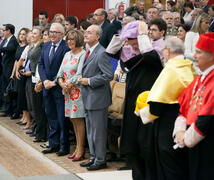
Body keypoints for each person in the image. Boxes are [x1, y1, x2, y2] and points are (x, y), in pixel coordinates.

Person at [136, 36, 195, 180]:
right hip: (186, 121)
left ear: (167, 51)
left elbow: (158, 103)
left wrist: (142, 113)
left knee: (169, 167)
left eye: (163, 51)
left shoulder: (172, 68)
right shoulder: (188, 65)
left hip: (168, 125)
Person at [119, 20, 164, 180]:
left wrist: (143, 34)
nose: (132, 46)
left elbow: (149, 55)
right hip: (133, 107)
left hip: (148, 108)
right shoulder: (133, 56)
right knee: (134, 147)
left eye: (133, 42)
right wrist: (122, 36)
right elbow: (111, 53)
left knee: (146, 148)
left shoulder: (155, 51)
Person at [173, 32, 214, 180]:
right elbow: (184, 107)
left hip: (207, 146)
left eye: (198, 52)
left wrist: (186, 138)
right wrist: (179, 132)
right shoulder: (199, 78)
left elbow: (207, 119)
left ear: (212, 56)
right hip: (192, 144)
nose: (194, 56)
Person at [78, 25, 114, 171]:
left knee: (98, 130)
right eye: (85, 32)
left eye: (89, 32)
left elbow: (108, 75)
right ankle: (93, 156)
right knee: (91, 129)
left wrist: (89, 81)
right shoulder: (88, 50)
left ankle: (100, 159)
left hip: (98, 98)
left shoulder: (101, 52)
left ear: (98, 36)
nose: (85, 34)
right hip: (88, 97)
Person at [38, 23, 70, 156]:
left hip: (59, 88)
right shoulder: (45, 46)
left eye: (55, 32)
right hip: (47, 87)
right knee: (51, 116)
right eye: (50, 31)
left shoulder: (66, 48)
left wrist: (54, 81)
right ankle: (53, 144)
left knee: (61, 118)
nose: (52, 34)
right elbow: (41, 64)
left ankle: (64, 146)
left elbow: (65, 67)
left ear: (62, 34)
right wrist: (45, 80)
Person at [57, 30, 86, 161]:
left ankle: (81, 148)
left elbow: (79, 73)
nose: (69, 41)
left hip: (77, 91)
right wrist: (62, 83)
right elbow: (60, 73)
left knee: (78, 119)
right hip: (67, 92)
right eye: (68, 39)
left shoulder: (83, 54)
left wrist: (68, 84)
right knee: (72, 119)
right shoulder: (67, 54)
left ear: (78, 39)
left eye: (72, 39)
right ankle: (77, 148)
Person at [0, 24, 19, 116]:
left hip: (10, 69)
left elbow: (9, 49)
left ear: (9, 31)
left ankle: (13, 110)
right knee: (5, 90)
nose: (2, 32)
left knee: (11, 90)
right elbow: (2, 51)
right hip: (4, 68)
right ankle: (7, 109)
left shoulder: (13, 40)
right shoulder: (5, 40)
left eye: (4, 30)